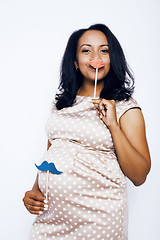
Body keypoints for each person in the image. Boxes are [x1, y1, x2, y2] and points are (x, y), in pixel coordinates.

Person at [23, 24, 151, 240]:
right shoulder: (60, 104)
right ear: (74, 61)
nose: (95, 56)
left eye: (104, 50)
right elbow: (54, 151)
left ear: (113, 59)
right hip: (51, 219)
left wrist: (112, 124)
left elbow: (139, 176)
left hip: (99, 219)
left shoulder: (125, 107)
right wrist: (35, 190)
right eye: (86, 50)